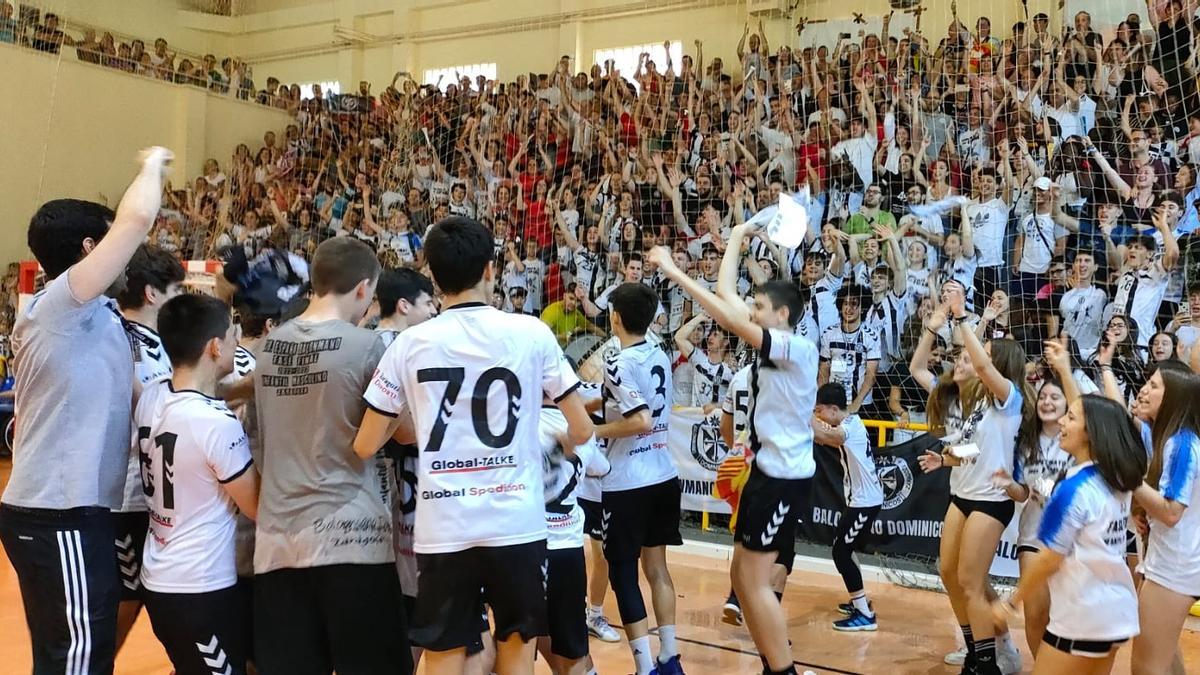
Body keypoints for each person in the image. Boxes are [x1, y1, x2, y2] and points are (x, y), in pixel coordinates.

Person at [356, 216, 593, 675]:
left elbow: (366, 444)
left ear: (435, 278)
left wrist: (423, 415)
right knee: (516, 650)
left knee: (444, 655)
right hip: (516, 525)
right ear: (491, 270)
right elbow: (581, 429)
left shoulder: (410, 344)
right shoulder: (531, 333)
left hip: (444, 528)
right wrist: (551, 451)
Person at [0, 147, 172, 674]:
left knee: (74, 655)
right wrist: (152, 164)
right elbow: (139, 217)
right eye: (111, 240)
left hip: (76, 515)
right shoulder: (59, 305)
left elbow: (144, 398)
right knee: (78, 660)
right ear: (91, 248)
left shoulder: (98, 320)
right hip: (58, 517)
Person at [649, 220, 817, 675]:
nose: (751, 310)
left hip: (783, 479)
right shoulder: (775, 344)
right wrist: (739, 234)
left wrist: (672, 269)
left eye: (759, 305)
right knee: (744, 582)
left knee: (757, 584)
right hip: (764, 473)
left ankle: (781, 671)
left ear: (781, 315)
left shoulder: (798, 348)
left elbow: (726, 316)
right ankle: (773, 665)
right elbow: (727, 296)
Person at [251, 237, 410, 675]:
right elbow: (406, 432)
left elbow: (258, 440)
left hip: (277, 544)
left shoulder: (267, 351)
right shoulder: (367, 347)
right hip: (352, 541)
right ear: (363, 290)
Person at [135, 294, 260, 675]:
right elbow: (257, 507)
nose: (238, 345)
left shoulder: (154, 393)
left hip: (162, 575)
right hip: (198, 587)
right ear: (215, 346)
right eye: (234, 336)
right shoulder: (215, 423)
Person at [913, 288, 1035, 675]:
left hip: (991, 500)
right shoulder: (969, 403)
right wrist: (946, 458)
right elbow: (973, 450)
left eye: (982, 353)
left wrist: (964, 315)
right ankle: (980, 649)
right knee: (949, 573)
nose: (973, 357)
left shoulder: (1009, 397)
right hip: (961, 494)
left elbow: (983, 367)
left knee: (970, 579)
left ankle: (987, 662)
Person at [992, 395, 1147, 674]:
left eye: (1071, 418)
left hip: (1082, 617)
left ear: (1091, 433)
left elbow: (1049, 559)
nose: (1062, 421)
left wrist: (1011, 602)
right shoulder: (1118, 479)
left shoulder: (1072, 490)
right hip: (1117, 614)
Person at [590, 281, 683, 675]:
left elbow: (638, 419)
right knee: (657, 568)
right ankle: (669, 657)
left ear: (615, 317)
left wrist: (593, 432)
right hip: (663, 473)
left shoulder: (617, 359)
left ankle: (645, 668)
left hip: (627, 482)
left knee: (622, 572)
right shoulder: (658, 352)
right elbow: (619, 397)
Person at [113, 244, 186, 650]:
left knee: (162, 597)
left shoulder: (161, 342)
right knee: (128, 595)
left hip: (159, 497)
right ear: (152, 294)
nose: (181, 300)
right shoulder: (120, 339)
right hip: (126, 500)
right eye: (176, 290)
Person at [1130, 366, 1200, 675]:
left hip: (1175, 567)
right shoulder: (1170, 437)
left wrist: (1126, 478)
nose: (1144, 389)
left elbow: (1172, 512)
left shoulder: (1183, 443)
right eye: (1147, 381)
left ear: (1173, 398)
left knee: (1146, 667)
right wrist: (1143, 510)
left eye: (1154, 385)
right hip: (1171, 560)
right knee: (1166, 656)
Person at [537, 394, 609, 675]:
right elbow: (602, 468)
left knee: (517, 637)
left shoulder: (522, 423)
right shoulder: (583, 430)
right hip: (567, 548)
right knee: (573, 646)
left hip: (529, 545)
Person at [811, 383, 883, 632]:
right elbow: (826, 437)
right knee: (844, 549)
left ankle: (865, 614)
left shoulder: (848, 428)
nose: (818, 416)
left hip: (866, 502)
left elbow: (824, 436)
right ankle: (860, 602)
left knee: (841, 552)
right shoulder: (851, 422)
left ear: (833, 409)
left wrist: (800, 411)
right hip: (860, 500)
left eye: (819, 411)